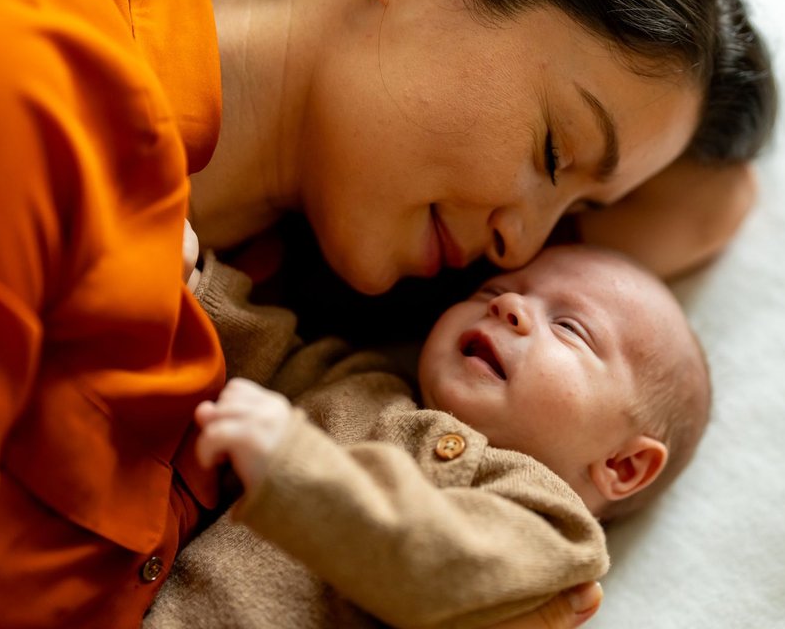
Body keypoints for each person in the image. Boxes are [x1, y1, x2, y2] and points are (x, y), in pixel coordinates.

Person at [0, 0, 775, 626]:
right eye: (549, 148)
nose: (524, 253)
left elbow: (715, 200)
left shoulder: (285, 315)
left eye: (578, 214)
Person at [144, 244, 710, 628]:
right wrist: (199, 288)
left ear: (623, 466)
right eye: (493, 290)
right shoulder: (366, 384)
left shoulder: (551, 530)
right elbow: (274, 351)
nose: (509, 307)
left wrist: (293, 468)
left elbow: (440, 561)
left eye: (569, 328)